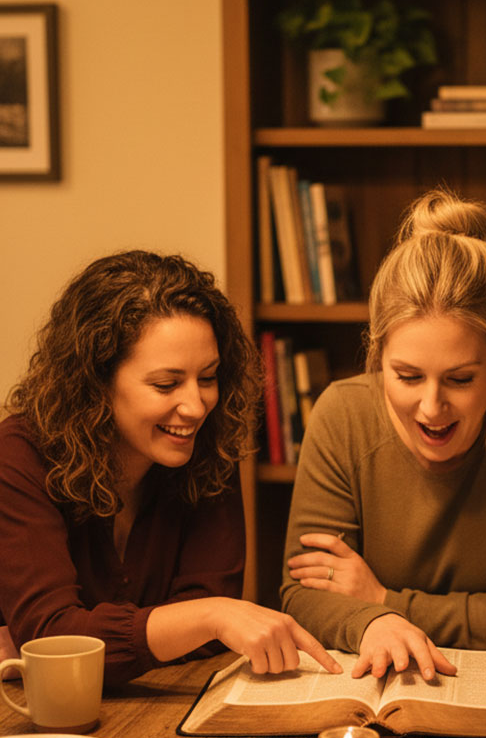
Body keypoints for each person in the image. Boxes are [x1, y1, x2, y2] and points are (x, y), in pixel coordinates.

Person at [282, 187, 486, 680]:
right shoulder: (342, 413)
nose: (432, 408)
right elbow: (303, 591)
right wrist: (376, 625)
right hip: (378, 682)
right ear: (377, 352)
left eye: (460, 379)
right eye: (407, 377)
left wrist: (383, 603)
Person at [0, 250, 340, 688]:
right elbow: (53, 642)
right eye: (166, 384)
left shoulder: (208, 444)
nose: (196, 406)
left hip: (154, 708)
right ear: (97, 381)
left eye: (209, 377)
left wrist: (195, 621)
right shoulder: (20, 455)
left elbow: (207, 628)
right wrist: (206, 617)